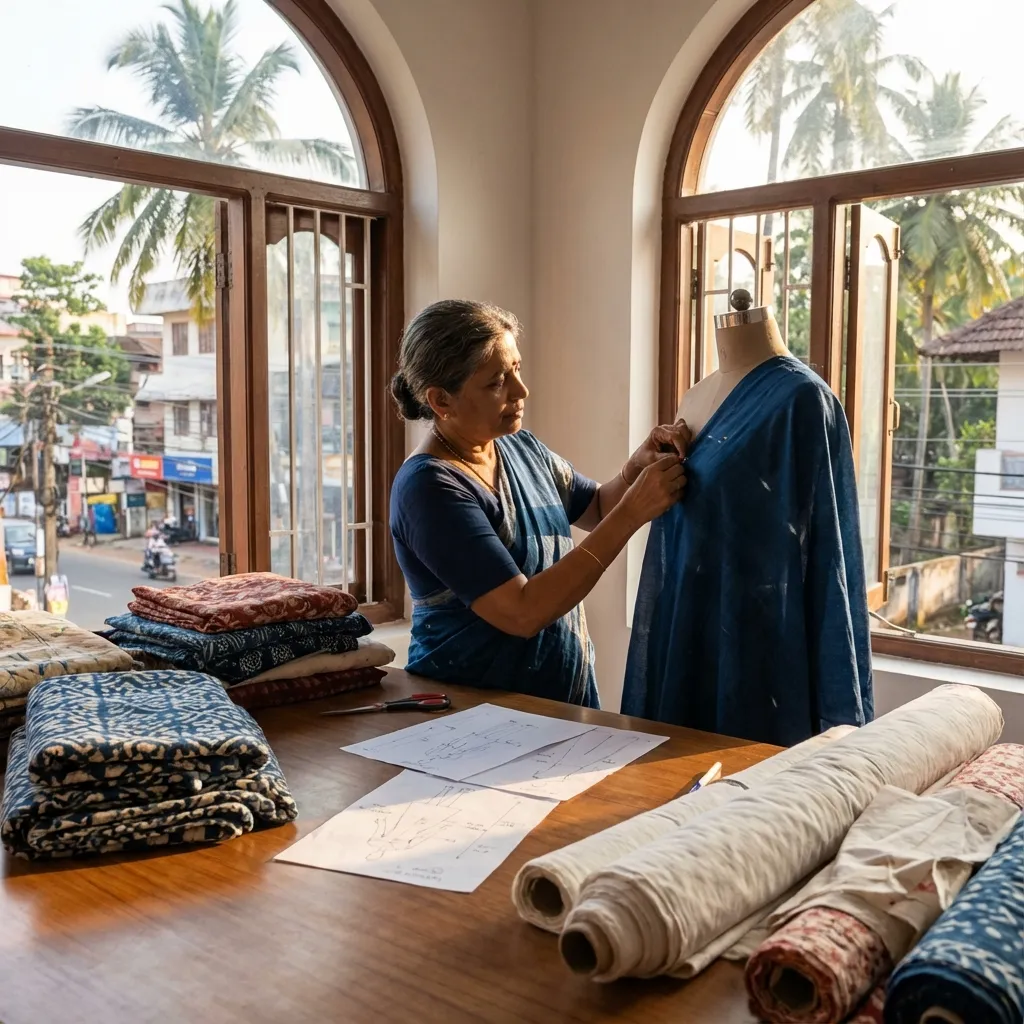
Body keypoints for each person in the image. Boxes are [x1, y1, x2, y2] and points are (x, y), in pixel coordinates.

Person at [389, 299, 689, 708]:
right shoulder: (429, 489)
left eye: (516, 369)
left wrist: (636, 467)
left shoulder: (519, 447)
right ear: (442, 401)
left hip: (557, 707)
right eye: (496, 382)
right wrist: (634, 512)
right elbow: (521, 612)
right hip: (470, 719)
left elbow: (598, 507)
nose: (521, 390)